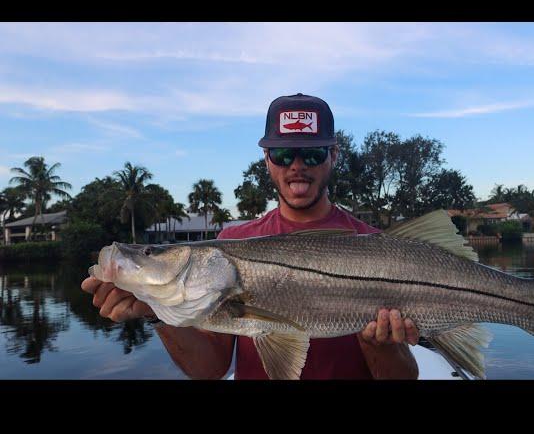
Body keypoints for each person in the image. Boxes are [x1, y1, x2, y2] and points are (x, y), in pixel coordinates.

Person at [81, 93, 419, 380]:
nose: (297, 166)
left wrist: (380, 346)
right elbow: (210, 369)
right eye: (283, 154)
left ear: (333, 155)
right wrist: (156, 311)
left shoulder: (378, 247)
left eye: (313, 153)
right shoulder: (233, 239)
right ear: (267, 160)